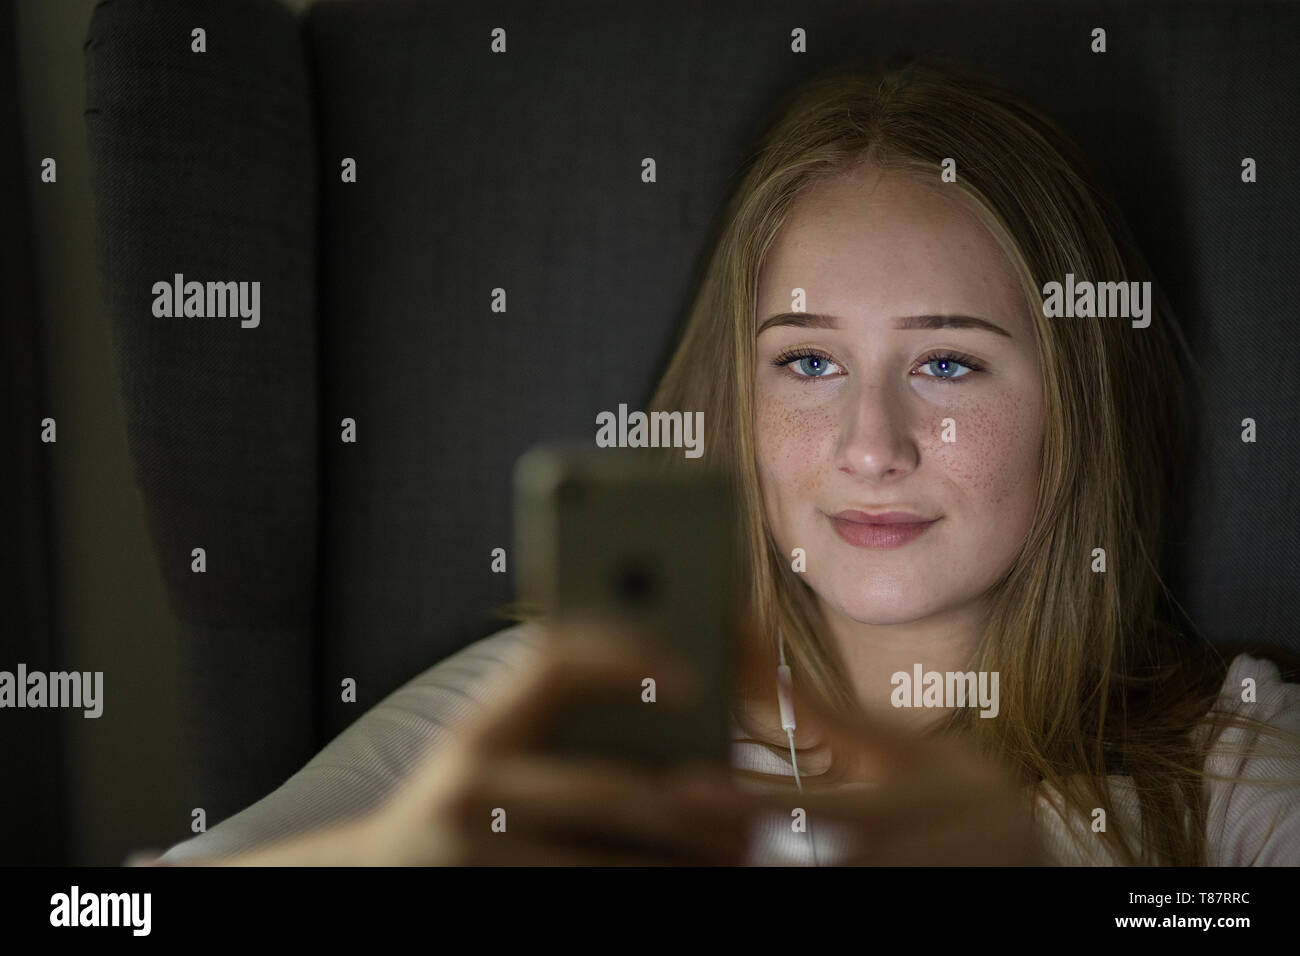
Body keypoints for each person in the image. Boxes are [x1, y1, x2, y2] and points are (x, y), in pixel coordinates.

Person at [136, 58, 1300, 867]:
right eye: (805, 362)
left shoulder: (1223, 769)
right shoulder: (568, 701)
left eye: (947, 363)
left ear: (1077, 404)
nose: (868, 445)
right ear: (733, 401)